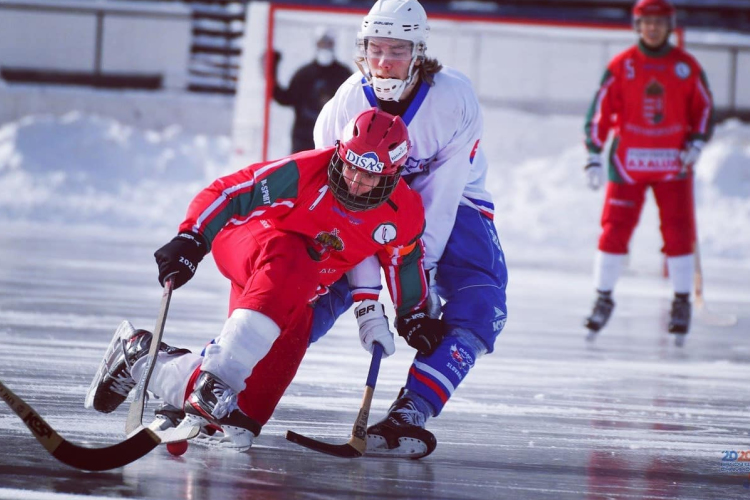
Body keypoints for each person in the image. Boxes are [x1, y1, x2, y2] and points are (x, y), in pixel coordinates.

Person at [88, 109, 435, 451]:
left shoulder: (405, 213)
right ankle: (217, 379)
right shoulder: (306, 171)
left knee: (244, 419)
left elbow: (404, 261)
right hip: (251, 245)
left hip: (295, 290)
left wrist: (413, 312)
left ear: (392, 176)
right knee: (295, 256)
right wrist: (193, 236)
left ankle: (144, 360)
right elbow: (231, 191)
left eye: (369, 177)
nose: (355, 182)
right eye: (349, 166)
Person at [310, 0, 508, 459]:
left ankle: (413, 407)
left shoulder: (452, 99)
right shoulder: (344, 105)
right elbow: (342, 205)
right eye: (375, 49)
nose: (383, 62)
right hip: (363, 202)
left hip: (455, 201)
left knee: (483, 302)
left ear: (419, 52)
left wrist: (417, 296)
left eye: (396, 50)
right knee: (311, 288)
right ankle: (232, 373)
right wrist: (365, 301)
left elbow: (439, 200)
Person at [583, 0, 713, 338]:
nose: (652, 28)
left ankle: (682, 301)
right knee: (614, 229)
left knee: (679, 231)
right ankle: (603, 298)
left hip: (673, 166)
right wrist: (594, 154)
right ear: (637, 26)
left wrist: (697, 142)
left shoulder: (686, 66)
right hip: (628, 166)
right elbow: (600, 111)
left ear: (669, 25)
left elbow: (702, 108)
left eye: (658, 22)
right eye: (646, 22)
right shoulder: (622, 65)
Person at [272, 28, 352, 153]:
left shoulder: (343, 74)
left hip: (333, 140)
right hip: (303, 139)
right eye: (321, 43)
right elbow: (285, 98)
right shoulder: (304, 74)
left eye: (328, 43)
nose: (325, 47)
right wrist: (272, 70)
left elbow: (353, 103)